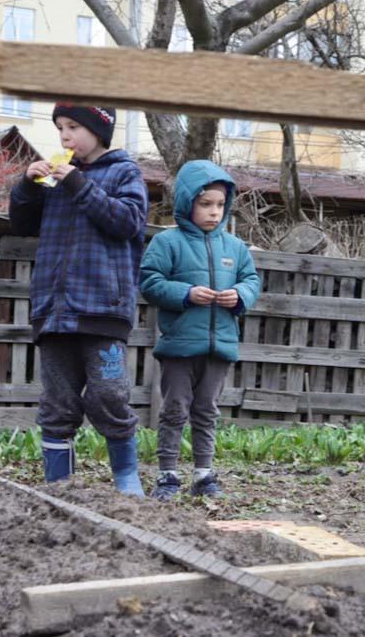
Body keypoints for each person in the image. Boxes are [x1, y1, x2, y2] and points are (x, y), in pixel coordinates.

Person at [9, 103, 149, 495]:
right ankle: (60, 490)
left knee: (109, 396)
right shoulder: (54, 177)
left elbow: (128, 223)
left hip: (102, 308)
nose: (64, 136)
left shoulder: (124, 172)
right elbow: (21, 226)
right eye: (59, 129)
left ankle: (126, 480)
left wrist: (78, 184)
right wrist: (26, 187)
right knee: (57, 404)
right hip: (53, 310)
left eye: (73, 127)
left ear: (99, 131)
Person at [140, 160, 261, 500]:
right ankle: (167, 475)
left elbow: (251, 281)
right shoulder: (168, 242)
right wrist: (186, 294)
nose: (213, 212)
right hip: (179, 346)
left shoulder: (235, 248)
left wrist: (239, 296)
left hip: (220, 346)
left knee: (207, 410)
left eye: (220, 205)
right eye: (205, 203)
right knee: (175, 409)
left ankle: (204, 475)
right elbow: (149, 282)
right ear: (186, 202)